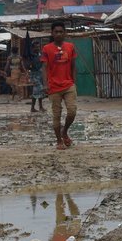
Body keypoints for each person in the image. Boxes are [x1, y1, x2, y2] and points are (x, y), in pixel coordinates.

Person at [41, 21, 77, 149]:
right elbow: (44, 67)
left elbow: (73, 65)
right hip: (53, 87)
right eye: (56, 32)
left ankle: (65, 131)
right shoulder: (46, 49)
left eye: (61, 31)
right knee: (57, 115)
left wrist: (74, 81)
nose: (58, 34)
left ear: (65, 33)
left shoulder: (70, 47)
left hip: (68, 85)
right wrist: (45, 84)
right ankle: (59, 141)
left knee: (72, 111)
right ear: (52, 33)